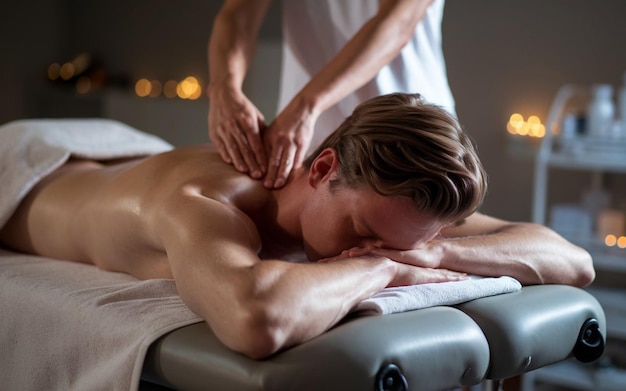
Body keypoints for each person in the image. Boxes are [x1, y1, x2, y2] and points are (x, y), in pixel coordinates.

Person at [0, 93, 594, 360]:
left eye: (397, 242)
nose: (373, 247)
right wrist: (383, 265)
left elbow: (570, 258)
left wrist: (439, 256)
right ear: (324, 167)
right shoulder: (202, 202)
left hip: (124, 153)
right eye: (364, 229)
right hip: (27, 169)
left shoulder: (398, 210)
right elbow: (256, 317)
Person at [208, 0, 454, 189]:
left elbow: (399, 22)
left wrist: (306, 107)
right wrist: (223, 88)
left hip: (409, 133)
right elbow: (239, 13)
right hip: (303, 135)